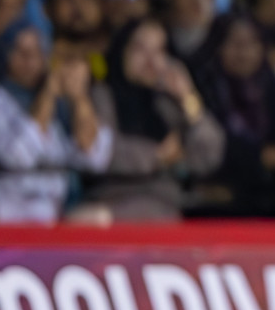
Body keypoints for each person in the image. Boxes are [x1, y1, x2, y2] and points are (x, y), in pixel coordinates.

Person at [89, 17, 225, 221]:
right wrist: (158, 156)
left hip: (165, 205)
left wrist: (188, 96)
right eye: (140, 49)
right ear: (122, 51)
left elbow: (209, 155)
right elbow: (101, 153)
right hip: (113, 201)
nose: (151, 61)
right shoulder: (102, 96)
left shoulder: (167, 102)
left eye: (159, 51)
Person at [0, 24, 112, 223]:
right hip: (8, 201)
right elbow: (18, 157)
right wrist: (48, 93)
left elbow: (94, 159)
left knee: (99, 219)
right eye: (20, 51)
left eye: (37, 51)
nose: (29, 59)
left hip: (56, 207)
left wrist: (79, 97)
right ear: (4, 54)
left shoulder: (62, 99)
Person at [191, 12, 275, 215]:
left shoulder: (271, 87)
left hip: (265, 194)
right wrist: (261, 155)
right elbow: (206, 145)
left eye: (252, 43)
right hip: (213, 191)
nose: (243, 52)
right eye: (234, 43)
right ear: (216, 47)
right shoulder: (201, 88)